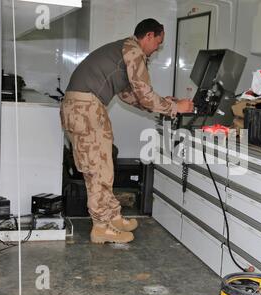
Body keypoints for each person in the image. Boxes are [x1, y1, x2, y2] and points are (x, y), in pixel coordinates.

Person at [60, 18, 194, 244]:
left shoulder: (124, 49)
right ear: (149, 36)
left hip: (84, 108)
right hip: (86, 108)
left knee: (103, 166)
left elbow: (127, 94)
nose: (157, 48)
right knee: (98, 169)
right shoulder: (134, 52)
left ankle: (113, 217)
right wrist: (174, 107)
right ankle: (101, 227)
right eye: (158, 43)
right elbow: (144, 93)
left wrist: (163, 103)